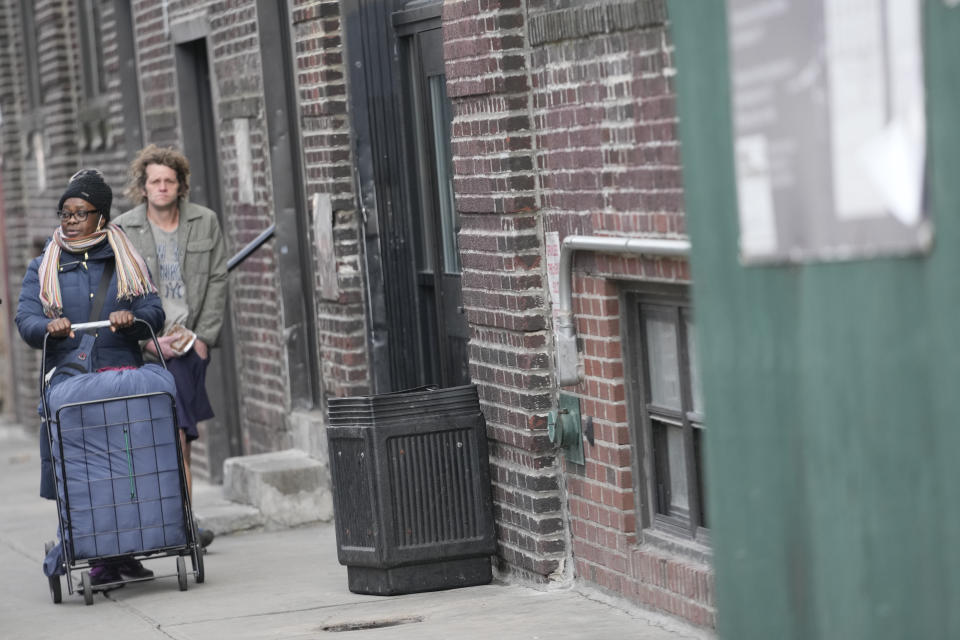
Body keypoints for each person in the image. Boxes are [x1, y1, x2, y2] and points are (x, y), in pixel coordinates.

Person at [15, 169, 165, 586]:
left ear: (102, 216)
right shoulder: (43, 265)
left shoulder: (126, 260)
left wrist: (132, 320)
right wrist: (49, 328)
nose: (70, 221)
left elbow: (155, 313)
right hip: (71, 382)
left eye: (80, 213)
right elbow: (25, 320)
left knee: (129, 467)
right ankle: (98, 556)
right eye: (65, 213)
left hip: (120, 377)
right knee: (84, 469)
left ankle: (126, 551)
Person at [115, 145, 227, 549]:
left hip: (190, 344)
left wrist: (202, 339)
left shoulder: (205, 221)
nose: (162, 187)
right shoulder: (124, 229)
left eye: (169, 180)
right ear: (143, 188)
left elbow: (217, 279)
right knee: (173, 434)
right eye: (154, 181)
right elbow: (120, 295)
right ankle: (182, 524)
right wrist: (146, 341)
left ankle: (183, 520)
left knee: (183, 436)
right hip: (150, 347)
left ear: (180, 185)